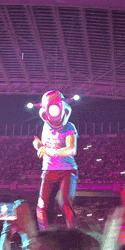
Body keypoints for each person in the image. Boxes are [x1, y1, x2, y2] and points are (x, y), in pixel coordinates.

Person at [32, 90, 78, 230]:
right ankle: (47, 238)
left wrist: (49, 151)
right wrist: (38, 146)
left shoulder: (69, 127)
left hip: (67, 171)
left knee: (64, 203)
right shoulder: (46, 126)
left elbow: (72, 150)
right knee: (42, 207)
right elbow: (44, 147)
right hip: (49, 171)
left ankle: (74, 235)